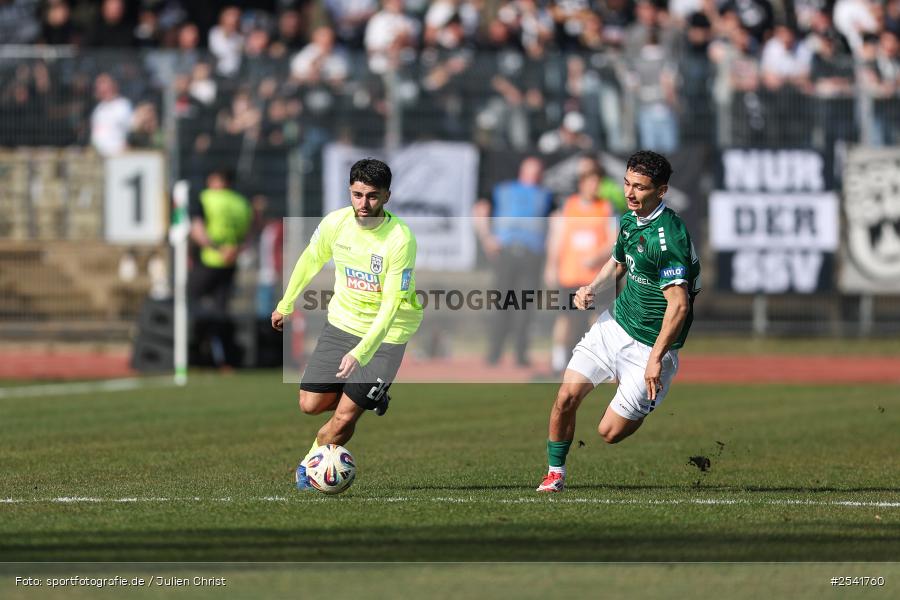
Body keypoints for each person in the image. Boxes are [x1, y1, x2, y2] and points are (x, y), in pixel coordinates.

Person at [536, 151, 701, 492]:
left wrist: (655, 359)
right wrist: (591, 288)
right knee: (565, 397)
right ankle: (555, 473)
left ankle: (641, 395)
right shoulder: (628, 220)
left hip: (651, 348)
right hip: (615, 326)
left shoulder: (669, 237)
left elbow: (680, 305)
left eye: (640, 187)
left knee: (608, 433)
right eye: (627, 183)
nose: (629, 193)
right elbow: (617, 262)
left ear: (661, 191)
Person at [271, 158, 423, 491]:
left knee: (343, 417)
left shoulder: (400, 239)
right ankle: (371, 394)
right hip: (342, 324)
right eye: (356, 195)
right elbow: (311, 259)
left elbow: (390, 305)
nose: (363, 204)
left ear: (386, 196)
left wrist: (361, 352)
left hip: (387, 335)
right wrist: (286, 303)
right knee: (309, 405)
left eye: (371, 196)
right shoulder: (335, 223)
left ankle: (308, 472)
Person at [474, 156, 554, 367]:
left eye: (538, 170)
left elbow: (555, 222)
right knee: (501, 304)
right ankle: (494, 353)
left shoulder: (546, 195)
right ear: (522, 170)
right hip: (506, 253)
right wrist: (486, 238)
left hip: (532, 255)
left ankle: (520, 354)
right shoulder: (503, 189)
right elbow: (481, 209)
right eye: (530, 170)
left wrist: (551, 253)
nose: (534, 174)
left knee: (525, 306)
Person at [543, 169, 615, 375]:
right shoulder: (568, 206)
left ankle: (600, 362)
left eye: (597, 182)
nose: (594, 186)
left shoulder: (605, 207)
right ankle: (558, 360)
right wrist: (551, 266)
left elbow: (613, 239)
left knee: (598, 319)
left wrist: (597, 256)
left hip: (595, 278)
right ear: (582, 184)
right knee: (566, 318)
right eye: (591, 182)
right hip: (570, 274)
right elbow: (557, 238)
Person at [189, 168, 253, 369]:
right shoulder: (241, 203)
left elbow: (197, 230)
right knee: (222, 310)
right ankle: (225, 359)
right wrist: (233, 251)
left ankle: (194, 352)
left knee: (188, 302)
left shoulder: (206, 198)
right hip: (230, 263)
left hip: (208, 260)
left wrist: (217, 249)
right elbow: (249, 235)